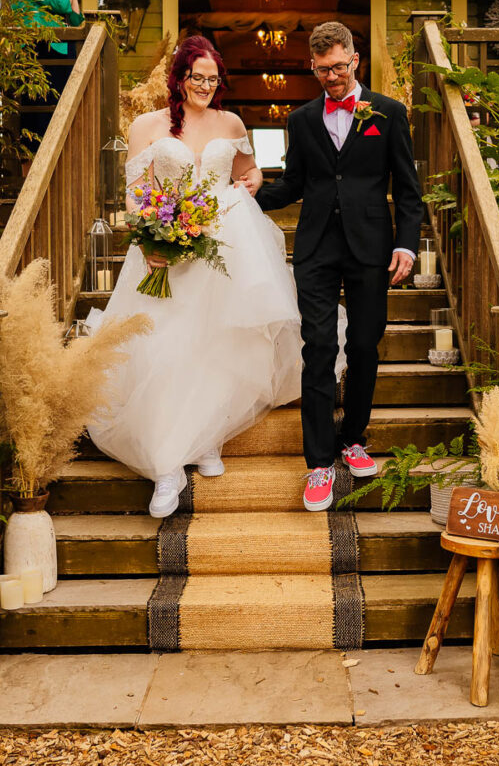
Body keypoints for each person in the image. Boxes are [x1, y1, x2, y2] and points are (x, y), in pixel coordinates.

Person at [81, 35, 327, 519]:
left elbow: (249, 172)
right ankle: (166, 465)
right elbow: (134, 195)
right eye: (198, 78)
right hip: (163, 251)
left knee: (214, 345)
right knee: (162, 346)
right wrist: (150, 235)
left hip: (224, 246)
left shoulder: (230, 121)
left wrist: (253, 180)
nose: (206, 87)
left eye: (213, 80)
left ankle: (205, 437)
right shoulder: (147, 126)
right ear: (179, 77)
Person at [252, 22, 425, 512]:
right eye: (323, 69)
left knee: (365, 344)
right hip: (317, 249)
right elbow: (294, 184)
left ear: (355, 60)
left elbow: (408, 189)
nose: (332, 76)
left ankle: (353, 438)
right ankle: (319, 462)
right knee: (320, 346)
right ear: (312, 67)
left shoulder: (389, 114)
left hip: (372, 247)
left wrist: (407, 247)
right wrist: (248, 196)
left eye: (339, 67)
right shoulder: (302, 119)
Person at [13, 0, 85, 141]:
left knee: (58, 118)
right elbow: (60, 4)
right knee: (40, 122)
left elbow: (75, 19)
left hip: (56, 53)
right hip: (40, 56)